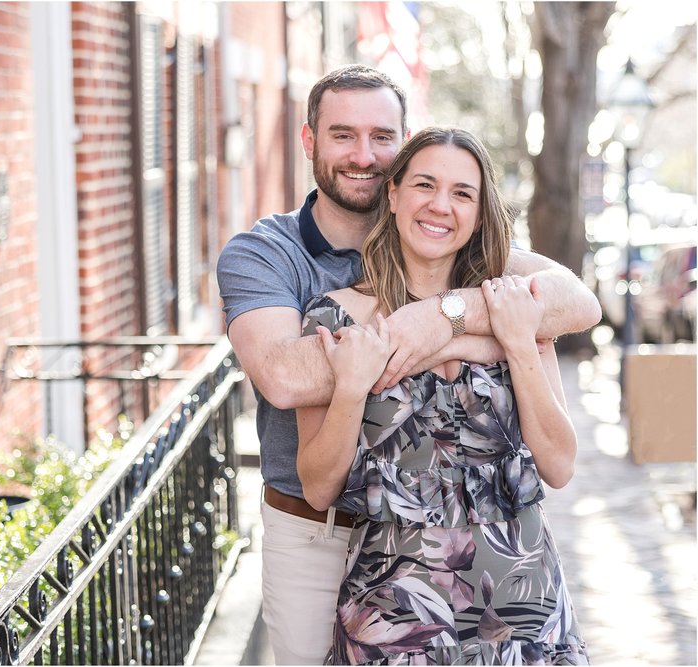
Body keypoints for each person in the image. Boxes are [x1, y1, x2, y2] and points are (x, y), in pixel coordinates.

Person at [216, 65, 600, 665]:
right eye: (343, 134)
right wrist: (452, 335)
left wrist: (451, 325)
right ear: (310, 140)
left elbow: (579, 308)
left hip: (519, 596)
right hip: (365, 573)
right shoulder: (278, 264)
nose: (363, 154)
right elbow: (285, 380)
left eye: (381, 137)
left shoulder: (511, 303)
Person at [297, 126, 588, 664]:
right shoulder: (337, 318)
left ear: (480, 212)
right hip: (394, 612)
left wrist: (519, 343)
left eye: (462, 193)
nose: (440, 206)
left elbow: (560, 464)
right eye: (425, 185)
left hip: (522, 605)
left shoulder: (513, 307)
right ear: (393, 193)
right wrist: (350, 390)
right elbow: (317, 488)